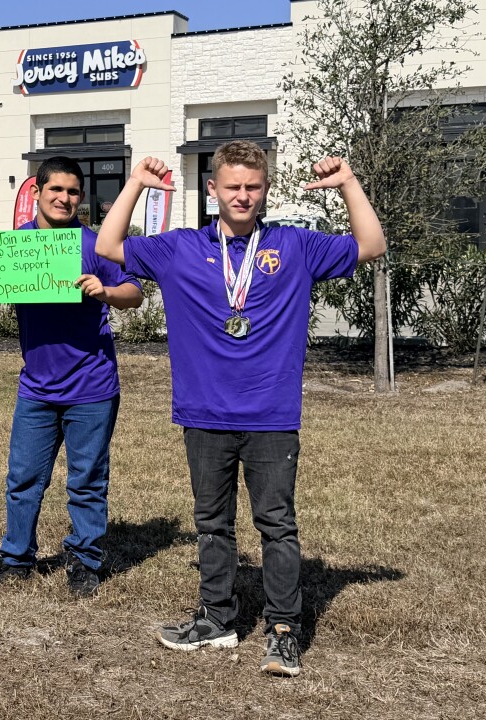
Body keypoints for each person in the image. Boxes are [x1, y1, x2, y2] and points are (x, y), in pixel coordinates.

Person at [95, 140, 385, 676]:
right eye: (232, 186)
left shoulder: (295, 246)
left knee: (276, 524)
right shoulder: (179, 248)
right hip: (204, 414)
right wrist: (135, 182)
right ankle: (217, 618)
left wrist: (347, 182)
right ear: (213, 190)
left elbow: (371, 244)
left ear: (266, 189)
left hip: (272, 415)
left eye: (253, 186)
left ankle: (282, 630)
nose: (243, 196)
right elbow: (110, 246)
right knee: (212, 523)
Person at [0, 156, 144, 597]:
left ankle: (84, 561)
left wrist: (105, 291)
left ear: (80, 198)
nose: (64, 198)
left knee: (87, 479)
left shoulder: (95, 243)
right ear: (37, 192)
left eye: (72, 192)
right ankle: (16, 560)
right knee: (23, 478)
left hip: (93, 385)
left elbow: (134, 293)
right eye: (56, 190)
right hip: (37, 387)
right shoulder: (17, 247)